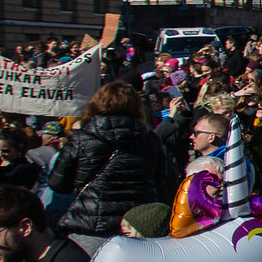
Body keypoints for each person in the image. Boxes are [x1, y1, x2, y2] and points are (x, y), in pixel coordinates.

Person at [48, 81, 172, 238]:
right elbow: (159, 179)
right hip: (137, 225)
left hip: (91, 224)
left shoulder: (81, 139)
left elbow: (58, 184)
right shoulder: (150, 139)